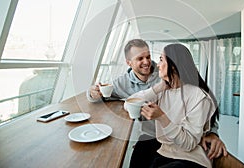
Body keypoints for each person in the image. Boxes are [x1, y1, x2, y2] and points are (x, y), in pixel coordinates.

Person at [86, 39, 227, 165]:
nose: (148, 62)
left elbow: (201, 122)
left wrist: (212, 133)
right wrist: (92, 94)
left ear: (173, 65)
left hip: (182, 146)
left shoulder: (193, 93)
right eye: (140, 58)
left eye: (149, 57)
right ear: (129, 63)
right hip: (160, 142)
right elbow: (115, 97)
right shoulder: (137, 84)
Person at [128, 43, 222, 168]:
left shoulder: (199, 97)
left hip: (190, 158)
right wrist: (156, 89)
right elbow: (129, 103)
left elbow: (189, 144)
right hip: (166, 150)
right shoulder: (162, 89)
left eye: (161, 59)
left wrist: (161, 117)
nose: (157, 65)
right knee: (143, 144)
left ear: (173, 65)